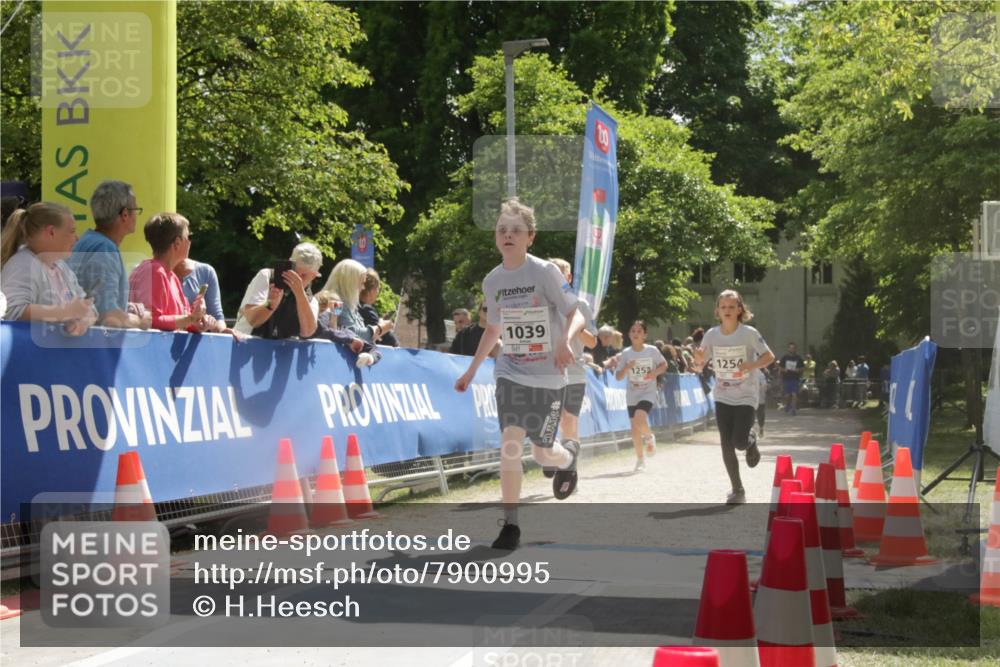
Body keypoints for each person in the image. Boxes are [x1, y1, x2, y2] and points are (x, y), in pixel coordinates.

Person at [454, 198, 585, 550]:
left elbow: (577, 313)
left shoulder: (545, 272)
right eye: (501, 230)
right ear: (495, 237)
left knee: (543, 454)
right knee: (510, 443)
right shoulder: (493, 280)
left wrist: (565, 343)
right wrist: (471, 370)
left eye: (516, 230)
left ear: (531, 236)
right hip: (510, 371)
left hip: (549, 375)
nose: (507, 235)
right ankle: (510, 524)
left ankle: (569, 457)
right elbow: (493, 329)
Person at [692, 289, 775, 505]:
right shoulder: (712, 335)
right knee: (726, 444)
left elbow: (770, 356)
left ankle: (750, 440)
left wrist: (752, 365)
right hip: (722, 395)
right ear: (717, 311)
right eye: (723, 307)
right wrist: (699, 360)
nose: (727, 311)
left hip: (746, 393)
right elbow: (699, 365)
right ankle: (737, 489)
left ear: (739, 310)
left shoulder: (748, 333)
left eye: (731, 307)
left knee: (738, 441)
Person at [0, 202, 97, 335]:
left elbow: (88, 308)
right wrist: (65, 312)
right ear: (51, 232)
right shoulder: (22, 264)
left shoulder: (61, 267)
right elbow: (11, 311)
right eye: (72, 231)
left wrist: (83, 322)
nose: (77, 238)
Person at [67, 180, 151, 329]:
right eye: (136, 210)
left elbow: (94, 299)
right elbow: (107, 315)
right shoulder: (105, 249)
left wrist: (125, 306)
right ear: (124, 214)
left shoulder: (86, 242)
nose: (136, 216)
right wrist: (141, 321)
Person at [128, 213, 226, 333]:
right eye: (188, 237)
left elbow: (182, 322)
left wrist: (198, 322)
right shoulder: (154, 271)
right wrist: (191, 318)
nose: (190, 242)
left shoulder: (171, 277)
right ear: (178, 242)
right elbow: (151, 321)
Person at [547, 258, 598, 478]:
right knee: (548, 419)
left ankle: (569, 470)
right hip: (546, 372)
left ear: (568, 278)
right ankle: (552, 453)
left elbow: (593, 342)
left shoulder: (581, 305)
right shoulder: (540, 302)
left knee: (569, 419)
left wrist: (574, 327)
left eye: (561, 273)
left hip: (574, 371)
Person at [233, 242, 322, 339]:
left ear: (314, 276)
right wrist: (270, 304)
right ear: (289, 263)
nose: (297, 279)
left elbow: (307, 332)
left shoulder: (311, 301)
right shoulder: (266, 277)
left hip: (280, 352)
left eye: (303, 276)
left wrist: (300, 294)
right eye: (295, 272)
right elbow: (253, 320)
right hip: (245, 346)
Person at [616, 320, 668, 471]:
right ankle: (640, 460)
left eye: (639, 331)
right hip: (632, 393)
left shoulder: (651, 350)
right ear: (629, 334)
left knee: (640, 418)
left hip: (648, 392)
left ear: (645, 335)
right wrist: (626, 368)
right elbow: (618, 377)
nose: (636, 333)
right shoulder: (626, 353)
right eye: (633, 331)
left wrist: (654, 373)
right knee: (634, 428)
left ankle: (649, 438)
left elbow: (664, 365)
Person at [320, 258, 394, 343]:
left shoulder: (348, 303)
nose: (363, 288)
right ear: (351, 282)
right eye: (362, 283)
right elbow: (351, 334)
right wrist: (379, 329)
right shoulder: (336, 301)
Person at [311, 290, 380, 368]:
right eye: (326, 310)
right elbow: (322, 331)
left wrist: (370, 358)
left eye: (338, 308)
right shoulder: (311, 328)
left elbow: (372, 348)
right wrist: (348, 339)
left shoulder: (344, 333)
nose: (334, 311)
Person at [358, 268, 398, 347]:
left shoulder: (351, 306)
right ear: (372, 290)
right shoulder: (366, 310)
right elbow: (392, 343)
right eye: (378, 289)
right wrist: (384, 326)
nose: (377, 293)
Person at [778, 342, 805, 415]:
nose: (792, 349)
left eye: (793, 348)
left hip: (795, 379)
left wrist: (798, 370)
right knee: (787, 395)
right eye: (790, 347)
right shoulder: (785, 357)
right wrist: (784, 370)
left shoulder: (798, 358)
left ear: (795, 349)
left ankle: (793, 409)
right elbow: (780, 367)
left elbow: (803, 368)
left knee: (794, 394)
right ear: (788, 348)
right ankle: (787, 405)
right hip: (786, 378)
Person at [756, 368, 768, 438]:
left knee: (760, 413)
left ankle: (761, 428)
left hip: (759, 396)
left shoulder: (760, 374)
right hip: (748, 397)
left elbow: (764, 385)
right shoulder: (745, 372)